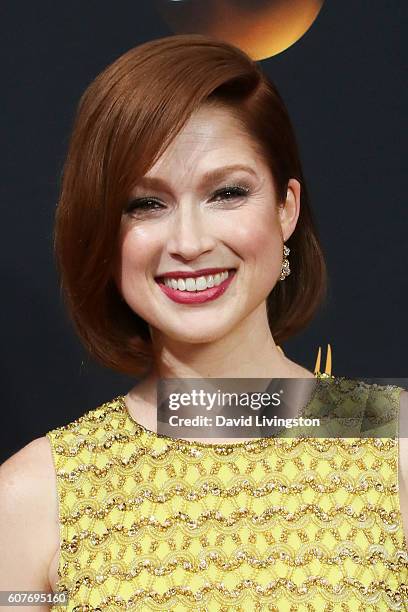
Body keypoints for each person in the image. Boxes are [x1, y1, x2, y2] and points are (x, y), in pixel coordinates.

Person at [0, 34, 407, 611]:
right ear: (104, 232)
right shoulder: (32, 497)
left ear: (286, 208)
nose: (189, 243)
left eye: (227, 193)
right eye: (146, 204)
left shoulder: (394, 444)